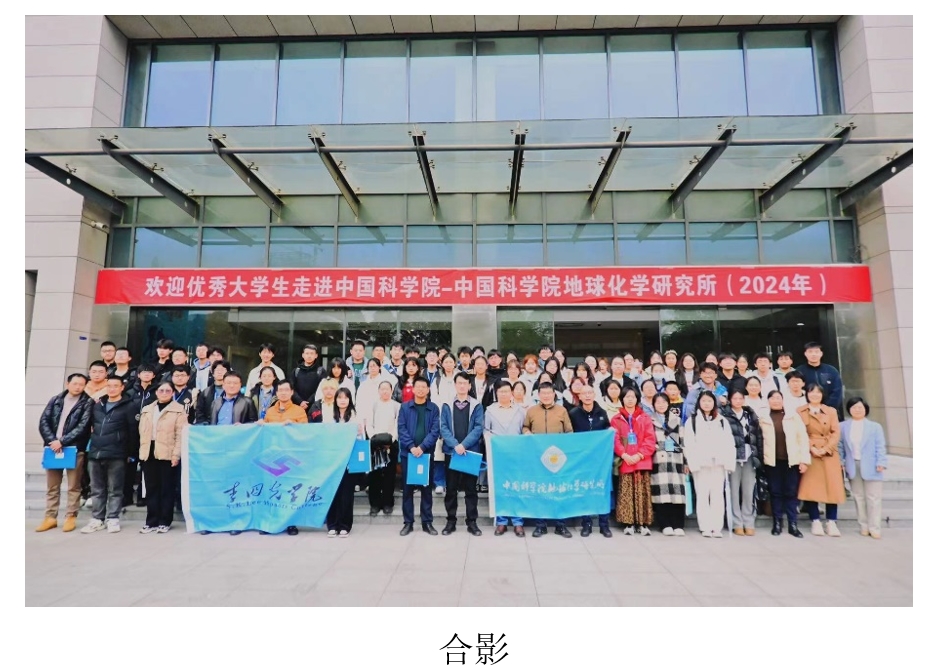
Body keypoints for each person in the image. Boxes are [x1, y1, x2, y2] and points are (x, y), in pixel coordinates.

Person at [35, 373, 93, 533]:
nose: (78, 387)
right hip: (53, 448)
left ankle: (71, 516)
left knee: (74, 486)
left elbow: (83, 426)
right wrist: (52, 441)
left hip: (74, 449)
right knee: (52, 486)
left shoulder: (87, 402)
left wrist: (62, 441)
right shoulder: (55, 400)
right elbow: (44, 421)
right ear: (68, 384)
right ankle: (50, 517)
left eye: (81, 384)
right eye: (75, 384)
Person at [80, 377, 139, 534]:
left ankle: (113, 518)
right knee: (97, 489)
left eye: (115, 386)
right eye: (109, 386)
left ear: (122, 388)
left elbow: (133, 432)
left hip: (117, 453)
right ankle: (97, 519)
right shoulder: (97, 405)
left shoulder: (129, 406)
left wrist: (131, 453)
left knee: (115, 489)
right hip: (96, 452)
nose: (112, 389)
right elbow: (88, 427)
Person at [681, 390, 735, 538]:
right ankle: (705, 526)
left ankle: (716, 527)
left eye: (709, 401)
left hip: (718, 464)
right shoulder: (692, 421)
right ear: (699, 402)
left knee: (717, 495)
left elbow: (729, 443)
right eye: (704, 401)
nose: (706, 404)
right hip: (700, 464)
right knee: (702, 495)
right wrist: (692, 463)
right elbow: (689, 443)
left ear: (714, 403)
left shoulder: (722, 421)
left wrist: (729, 463)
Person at [523, 382, 573, 538]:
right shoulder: (531, 411)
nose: (546, 396)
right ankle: (540, 525)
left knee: (559, 491)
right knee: (540, 490)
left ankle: (560, 525)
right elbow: (525, 427)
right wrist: (526, 432)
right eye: (543, 393)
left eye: (549, 393)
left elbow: (569, 432)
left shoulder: (562, 410)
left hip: (557, 457)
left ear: (554, 394)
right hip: (538, 456)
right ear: (538, 395)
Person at [758, 390, 810, 537]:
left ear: (783, 400)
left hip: (792, 461)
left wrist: (804, 460)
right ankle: (777, 523)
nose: (775, 401)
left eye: (778, 398)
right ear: (768, 401)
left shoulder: (793, 416)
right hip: (772, 461)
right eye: (772, 398)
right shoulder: (763, 418)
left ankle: (793, 524)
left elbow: (802, 438)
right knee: (775, 492)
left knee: (791, 492)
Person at [136, 381, 186, 534]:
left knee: (166, 489)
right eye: (161, 390)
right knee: (151, 488)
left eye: (168, 391)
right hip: (148, 452)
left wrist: (176, 454)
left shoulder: (178, 410)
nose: (164, 393)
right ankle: (151, 521)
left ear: (173, 393)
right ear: (156, 392)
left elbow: (181, 435)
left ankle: (165, 521)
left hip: (167, 453)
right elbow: (141, 432)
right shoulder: (147, 409)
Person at [439, 373, 485, 536]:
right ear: (455, 385)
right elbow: (443, 427)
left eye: (465, 383)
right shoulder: (447, 405)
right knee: (451, 489)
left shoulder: (476, 405)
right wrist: (455, 445)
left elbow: (478, 428)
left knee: (470, 489)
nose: (462, 386)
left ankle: (472, 522)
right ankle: (451, 521)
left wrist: (464, 445)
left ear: (469, 386)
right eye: (459, 383)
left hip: (470, 452)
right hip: (452, 452)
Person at [261, 379, 308, 536]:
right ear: (276, 392)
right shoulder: (270, 412)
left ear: (292, 392)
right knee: (273, 489)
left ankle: (291, 523)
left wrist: (294, 426)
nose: (283, 393)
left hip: (290, 457)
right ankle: (271, 523)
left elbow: (306, 433)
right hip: (272, 456)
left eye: (286, 390)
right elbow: (264, 432)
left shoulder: (299, 411)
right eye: (280, 390)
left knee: (289, 491)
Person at [797, 383, 845, 537]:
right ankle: (815, 520)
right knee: (812, 488)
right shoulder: (800, 411)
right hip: (810, 452)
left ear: (822, 395)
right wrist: (812, 447)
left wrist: (826, 448)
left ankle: (831, 521)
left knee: (832, 487)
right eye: (812, 392)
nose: (815, 395)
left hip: (829, 453)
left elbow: (835, 432)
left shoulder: (831, 411)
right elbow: (800, 433)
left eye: (818, 392)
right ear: (807, 394)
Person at [397, 377, 440, 536]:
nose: (421, 389)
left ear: (428, 390)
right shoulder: (404, 407)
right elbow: (401, 429)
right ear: (413, 389)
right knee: (407, 490)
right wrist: (412, 447)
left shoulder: (433, 408)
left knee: (426, 490)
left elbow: (435, 431)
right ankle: (408, 523)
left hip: (425, 455)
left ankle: (427, 522)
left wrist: (422, 447)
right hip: (408, 455)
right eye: (418, 386)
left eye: (424, 387)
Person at [839, 397, 888, 539]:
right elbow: (840, 446)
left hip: (872, 466)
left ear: (865, 409)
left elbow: (880, 446)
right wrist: (841, 461)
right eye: (854, 407)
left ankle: (875, 527)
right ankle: (864, 526)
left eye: (860, 407)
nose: (857, 410)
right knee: (858, 497)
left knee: (873, 498)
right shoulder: (843, 426)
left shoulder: (875, 427)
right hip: (853, 465)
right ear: (849, 410)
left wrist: (881, 462)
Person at [569, 384, 613, 537]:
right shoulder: (573, 413)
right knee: (584, 490)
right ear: (579, 396)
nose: (587, 396)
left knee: (602, 489)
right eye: (584, 393)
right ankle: (586, 524)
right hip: (582, 459)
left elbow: (607, 432)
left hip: (600, 460)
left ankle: (604, 524)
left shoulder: (602, 412)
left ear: (594, 395)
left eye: (590, 393)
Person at [612, 386, 657, 535]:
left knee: (642, 493)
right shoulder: (616, 419)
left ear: (637, 399)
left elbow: (650, 439)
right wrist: (624, 454)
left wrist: (639, 455)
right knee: (626, 493)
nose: (630, 399)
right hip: (626, 460)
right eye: (627, 397)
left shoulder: (645, 418)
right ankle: (628, 523)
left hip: (642, 461)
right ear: (622, 399)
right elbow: (615, 440)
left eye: (633, 396)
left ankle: (643, 524)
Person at [485, 381, 527, 536]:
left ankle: (518, 522)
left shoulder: (520, 410)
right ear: (496, 393)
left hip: (517, 454)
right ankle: (501, 522)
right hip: (498, 454)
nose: (504, 394)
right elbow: (486, 430)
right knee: (500, 487)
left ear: (511, 393)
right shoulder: (490, 410)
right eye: (501, 391)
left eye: (507, 391)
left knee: (516, 486)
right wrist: (493, 441)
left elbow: (523, 429)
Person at [720, 389, 763, 536]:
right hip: (733, 456)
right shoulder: (725, 416)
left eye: (740, 398)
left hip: (750, 455)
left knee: (748, 491)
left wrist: (759, 456)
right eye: (735, 398)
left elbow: (758, 436)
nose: (738, 401)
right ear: (730, 400)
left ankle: (748, 521)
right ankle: (736, 522)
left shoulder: (750, 415)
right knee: (733, 490)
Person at [325, 387, 362, 537]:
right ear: (335, 400)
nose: (342, 400)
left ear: (350, 400)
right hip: (333, 460)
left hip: (349, 460)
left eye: (345, 398)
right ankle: (332, 524)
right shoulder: (330, 415)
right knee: (333, 492)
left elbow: (359, 438)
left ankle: (345, 525)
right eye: (339, 397)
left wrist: (359, 432)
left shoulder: (355, 416)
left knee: (347, 493)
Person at [649, 393, 687, 536]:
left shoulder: (676, 420)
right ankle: (665, 524)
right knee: (662, 493)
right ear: (653, 404)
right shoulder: (650, 420)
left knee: (677, 494)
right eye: (658, 402)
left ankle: (678, 525)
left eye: (664, 402)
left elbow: (683, 441)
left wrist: (686, 461)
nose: (661, 405)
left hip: (676, 459)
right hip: (658, 460)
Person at [366, 379, 400, 517]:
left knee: (389, 475)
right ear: (379, 391)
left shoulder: (396, 406)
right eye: (382, 389)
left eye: (387, 389)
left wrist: (391, 439)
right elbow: (369, 424)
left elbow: (398, 424)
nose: (385, 391)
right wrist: (374, 438)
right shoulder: (373, 405)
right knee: (374, 475)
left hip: (390, 444)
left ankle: (387, 503)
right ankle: (374, 504)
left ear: (391, 391)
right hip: (375, 444)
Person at [431, 353, 459, 495]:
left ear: (455, 363)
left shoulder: (460, 378)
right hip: (440, 419)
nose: (448, 364)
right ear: (442, 364)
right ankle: (439, 482)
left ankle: (453, 483)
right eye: (446, 362)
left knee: (454, 452)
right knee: (439, 453)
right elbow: (434, 401)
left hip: (457, 419)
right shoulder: (437, 380)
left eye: (450, 362)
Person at [796, 342, 843, 417]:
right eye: (810, 352)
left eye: (816, 352)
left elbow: (837, 391)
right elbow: (797, 391)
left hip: (829, 412)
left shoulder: (831, 370)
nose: (813, 354)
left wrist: (826, 409)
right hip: (807, 413)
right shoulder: (799, 371)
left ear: (821, 353)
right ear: (805, 354)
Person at [194, 360, 230, 425]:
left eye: (222, 370)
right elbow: (199, 412)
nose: (219, 372)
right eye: (217, 370)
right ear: (213, 373)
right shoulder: (206, 392)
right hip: (209, 427)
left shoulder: (232, 391)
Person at [291, 344, 326, 410]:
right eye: (307, 353)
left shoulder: (321, 371)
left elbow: (322, 389)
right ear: (303, 355)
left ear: (316, 355)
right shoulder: (296, 371)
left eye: (312, 353)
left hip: (315, 407)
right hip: (297, 406)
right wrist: (300, 401)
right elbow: (291, 388)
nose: (309, 356)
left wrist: (308, 402)